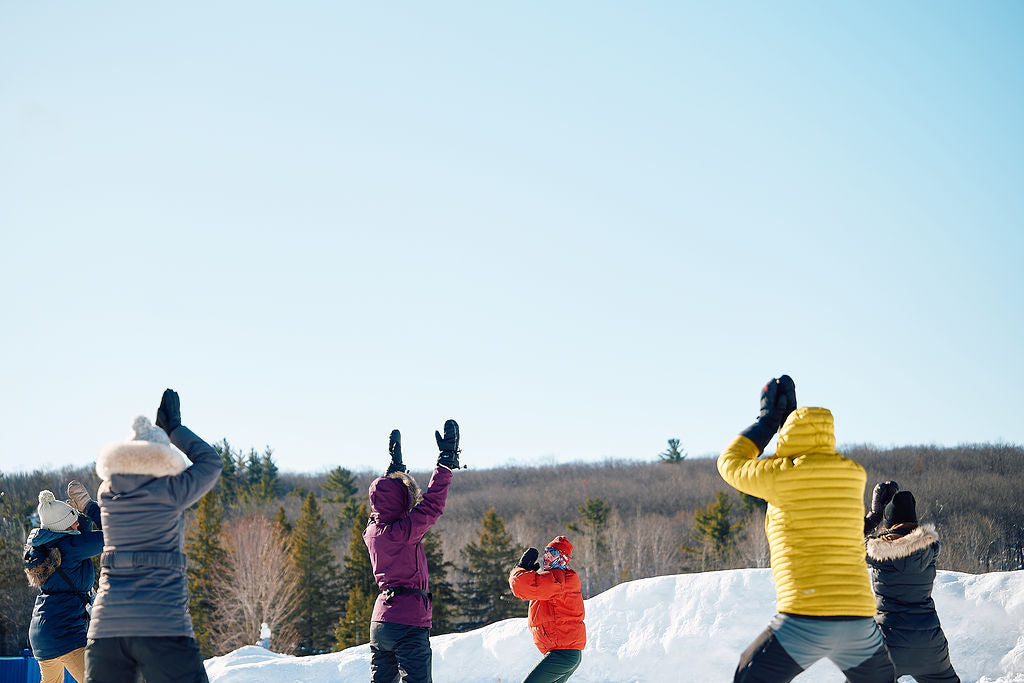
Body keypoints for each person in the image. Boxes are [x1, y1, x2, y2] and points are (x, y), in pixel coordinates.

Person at [717, 375, 896, 682]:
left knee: (749, 675)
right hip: (858, 622)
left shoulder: (779, 474)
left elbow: (729, 463)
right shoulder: (853, 474)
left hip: (804, 617)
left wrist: (767, 423)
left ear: (787, 436)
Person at [85, 389, 222, 683]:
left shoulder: (107, 493)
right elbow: (211, 463)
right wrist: (175, 431)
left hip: (107, 625)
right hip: (162, 622)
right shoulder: (171, 491)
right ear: (163, 458)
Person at [363, 421, 460, 683]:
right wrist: (445, 463)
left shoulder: (372, 531)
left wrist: (394, 471)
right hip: (408, 620)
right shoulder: (403, 532)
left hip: (381, 623)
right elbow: (432, 505)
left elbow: (381, 502)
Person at [865, 486, 960, 682]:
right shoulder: (931, 548)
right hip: (930, 647)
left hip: (887, 645)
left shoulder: (877, 551)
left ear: (889, 524)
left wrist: (874, 517)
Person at [23, 481, 104, 683]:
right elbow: (116, 535)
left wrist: (80, 519)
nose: (77, 525)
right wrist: (89, 508)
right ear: (62, 528)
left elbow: (77, 537)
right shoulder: (70, 546)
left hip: (41, 632)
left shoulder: (44, 547)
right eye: (73, 522)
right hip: (64, 634)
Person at [508, 536, 586, 683]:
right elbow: (534, 589)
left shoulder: (557, 579)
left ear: (562, 558)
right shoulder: (556, 580)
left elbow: (521, 586)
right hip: (565, 654)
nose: (547, 557)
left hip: (563, 654)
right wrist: (529, 575)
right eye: (547, 552)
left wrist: (520, 568)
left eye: (553, 553)